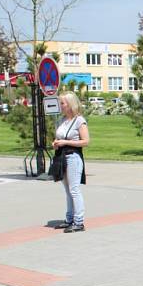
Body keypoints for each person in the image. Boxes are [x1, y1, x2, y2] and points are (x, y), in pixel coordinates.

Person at [52, 92, 90, 233]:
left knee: (74, 190)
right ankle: (69, 219)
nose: (60, 106)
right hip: (61, 156)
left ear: (70, 104)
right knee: (67, 190)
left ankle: (79, 222)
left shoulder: (79, 120)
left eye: (62, 103)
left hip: (73, 157)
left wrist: (66, 142)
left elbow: (86, 141)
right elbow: (58, 137)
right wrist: (56, 143)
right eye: (60, 103)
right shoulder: (61, 120)